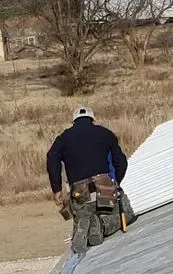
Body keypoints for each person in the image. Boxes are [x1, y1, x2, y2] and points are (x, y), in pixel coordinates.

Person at [46, 106, 133, 255]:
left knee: (84, 218)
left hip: (79, 191)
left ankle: (83, 227)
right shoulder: (105, 134)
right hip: (104, 186)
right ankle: (102, 225)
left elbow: (51, 159)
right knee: (126, 215)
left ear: (74, 122)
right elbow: (121, 162)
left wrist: (57, 189)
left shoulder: (63, 138)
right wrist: (115, 182)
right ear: (92, 119)